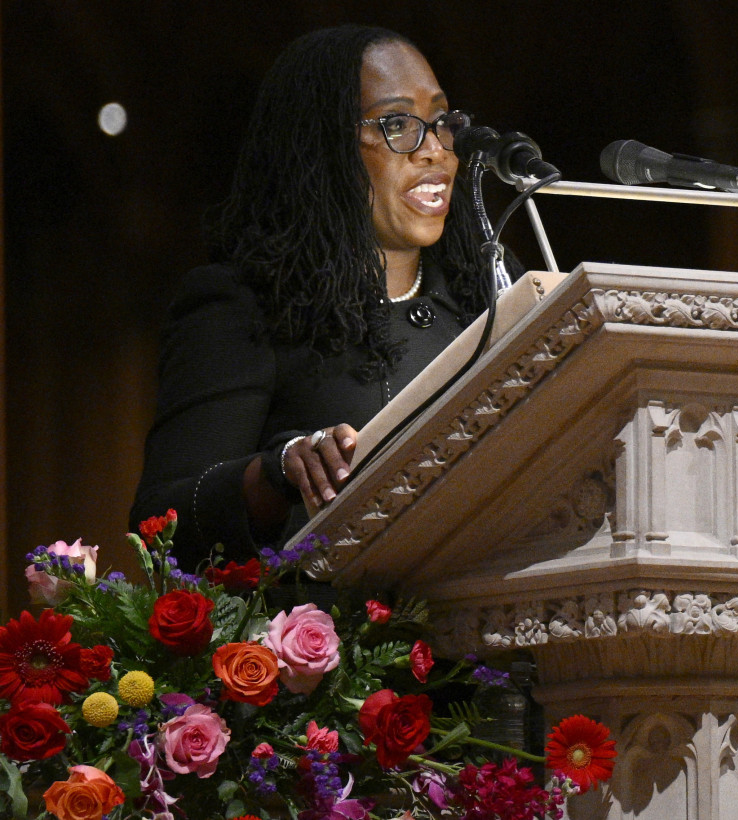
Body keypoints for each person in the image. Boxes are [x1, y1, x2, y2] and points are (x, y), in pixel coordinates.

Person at [130, 25, 516, 571]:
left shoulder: (491, 286)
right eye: (398, 124)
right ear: (323, 144)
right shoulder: (247, 307)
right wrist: (275, 473)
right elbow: (157, 523)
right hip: (335, 639)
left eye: (443, 123)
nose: (436, 152)